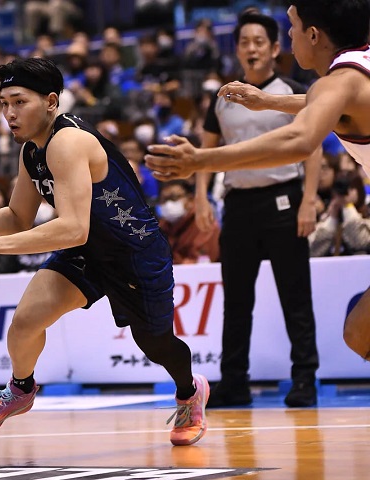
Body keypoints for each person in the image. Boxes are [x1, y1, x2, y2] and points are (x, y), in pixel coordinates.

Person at [0, 57, 209, 446]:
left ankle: (190, 392)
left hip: (134, 253)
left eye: (19, 101)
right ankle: (20, 389)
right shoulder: (31, 151)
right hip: (88, 252)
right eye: (4, 103)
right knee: (25, 321)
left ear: (50, 102)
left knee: (155, 344)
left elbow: (73, 227)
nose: (9, 113)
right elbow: (17, 216)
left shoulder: (68, 142)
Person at [144, 0, 370, 361]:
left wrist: (201, 160)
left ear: (314, 35)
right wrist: (269, 101)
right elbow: (327, 102)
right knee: (360, 333)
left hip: (279, 201)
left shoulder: (337, 83)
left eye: (293, 26)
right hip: (246, 207)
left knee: (360, 334)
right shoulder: (357, 69)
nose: (290, 34)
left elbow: (299, 139)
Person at [191, 11, 321, 408]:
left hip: (284, 200)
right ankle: (235, 382)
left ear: (275, 48)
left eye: (259, 42)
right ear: (237, 50)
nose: (252, 48)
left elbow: (313, 148)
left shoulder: (293, 92)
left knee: (295, 297)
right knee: (236, 302)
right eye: (245, 42)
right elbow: (205, 150)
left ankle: (304, 379)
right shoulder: (223, 97)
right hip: (238, 204)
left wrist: (309, 200)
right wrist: (201, 196)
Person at [157, 180, 220, 265]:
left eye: (174, 198)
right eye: (164, 200)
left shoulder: (204, 224)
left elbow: (201, 261)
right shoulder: (162, 227)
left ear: (190, 199)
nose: (168, 204)